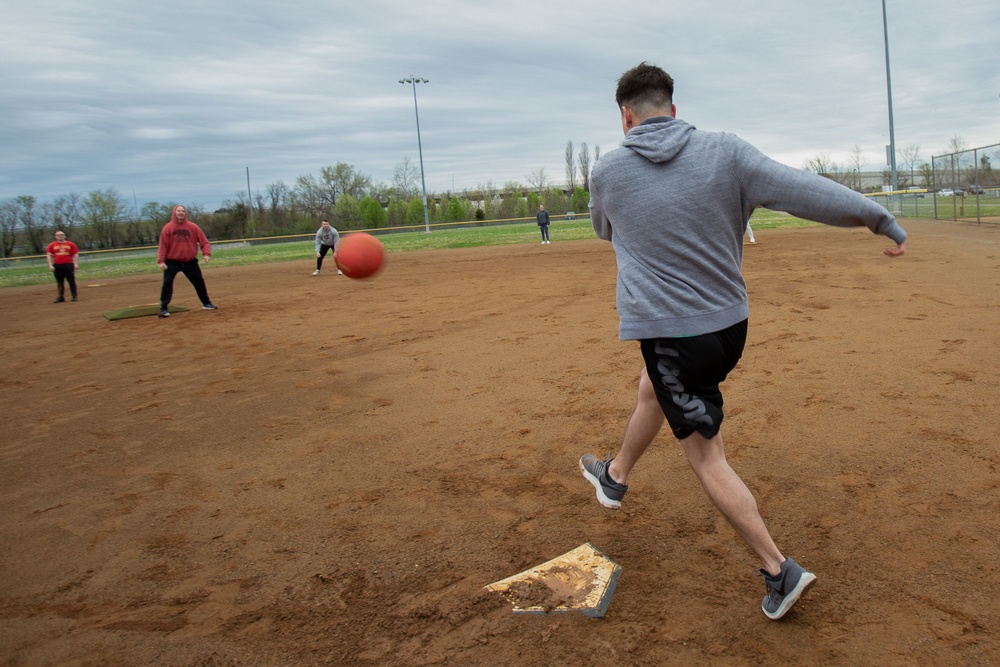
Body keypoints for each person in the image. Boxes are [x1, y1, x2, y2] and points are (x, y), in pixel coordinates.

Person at [580, 62, 907, 621]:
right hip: (730, 327)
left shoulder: (609, 170)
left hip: (673, 334)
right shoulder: (726, 151)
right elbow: (804, 190)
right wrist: (879, 218)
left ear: (626, 117)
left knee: (706, 455)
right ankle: (614, 477)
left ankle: (780, 570)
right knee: (653, 388)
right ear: (675, 110)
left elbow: (602, 228)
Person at [156, 205, 217, 318]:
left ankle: (206, 303)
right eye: (179, 211)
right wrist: (161, 261)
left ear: (185, 213)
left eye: (183, 211)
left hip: (190, 262)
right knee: (167, 283)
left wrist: (206, 254)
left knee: (199, 282)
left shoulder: (193, 227)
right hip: (172, 261)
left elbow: (204, 241)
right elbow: (163, 246)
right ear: (174, 213)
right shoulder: (168, 228)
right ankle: (163, 308)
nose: (181, 213)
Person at [46, 230, 80, 303]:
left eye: (61, 235)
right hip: (57, 265)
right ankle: (61, 297)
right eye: (58, 235)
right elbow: (49, 255)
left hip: (68, 265)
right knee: (59, 282)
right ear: (55, 237)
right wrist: (50, 265)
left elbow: (75, 254)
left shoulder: (70, 244)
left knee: (71, 281)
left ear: (64, 236)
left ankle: (74, 296)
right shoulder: (52, 245)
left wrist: (76, 264)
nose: (60, 236)